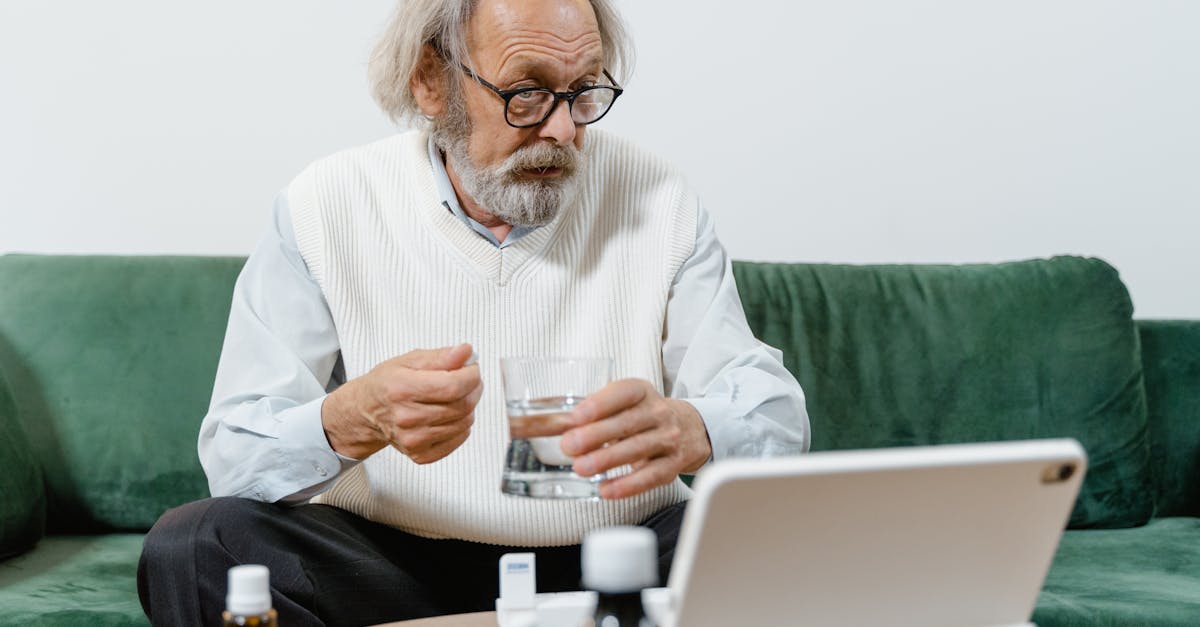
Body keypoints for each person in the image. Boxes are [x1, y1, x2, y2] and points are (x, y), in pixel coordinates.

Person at [137, 0, 809, 624]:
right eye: (528, 93)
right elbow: (234, 456)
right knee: (195, 545)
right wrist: (350, 418)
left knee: (781, 540)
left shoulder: (660, 199)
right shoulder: (326, 204)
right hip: (395, 563)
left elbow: (776, 413)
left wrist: (692, 427)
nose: (563, 129)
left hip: (617, 556)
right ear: (432, 79)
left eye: (585, 92)